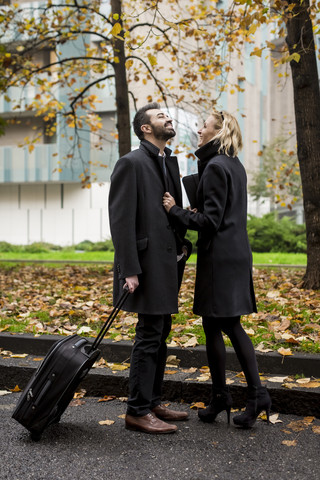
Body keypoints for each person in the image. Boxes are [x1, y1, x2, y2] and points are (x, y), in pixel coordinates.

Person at [163, 110, 271, 428]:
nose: (199, 130)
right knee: (213, 325)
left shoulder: (215, 166)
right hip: (234, 253)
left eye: (204, 126)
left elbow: (211, 222)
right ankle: (221, 396)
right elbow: (220, 213)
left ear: (218, 132)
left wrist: (176, 211)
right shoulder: (233, 165)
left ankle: (256, 394)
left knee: (229, 326)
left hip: (220, 259)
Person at [108, 102, 191, 434]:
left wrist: (183, 243)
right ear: (145, 128)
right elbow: (121, 219)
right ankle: (137, 411)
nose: (168, 118)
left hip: (168, 262)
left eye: (167, 116)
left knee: (162, 333)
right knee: (149, 335)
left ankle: (152, 400)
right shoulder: (130, 163)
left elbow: (170, 211)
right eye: (160, 116)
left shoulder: (166, 161)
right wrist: (129, 268)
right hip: (143, 265)